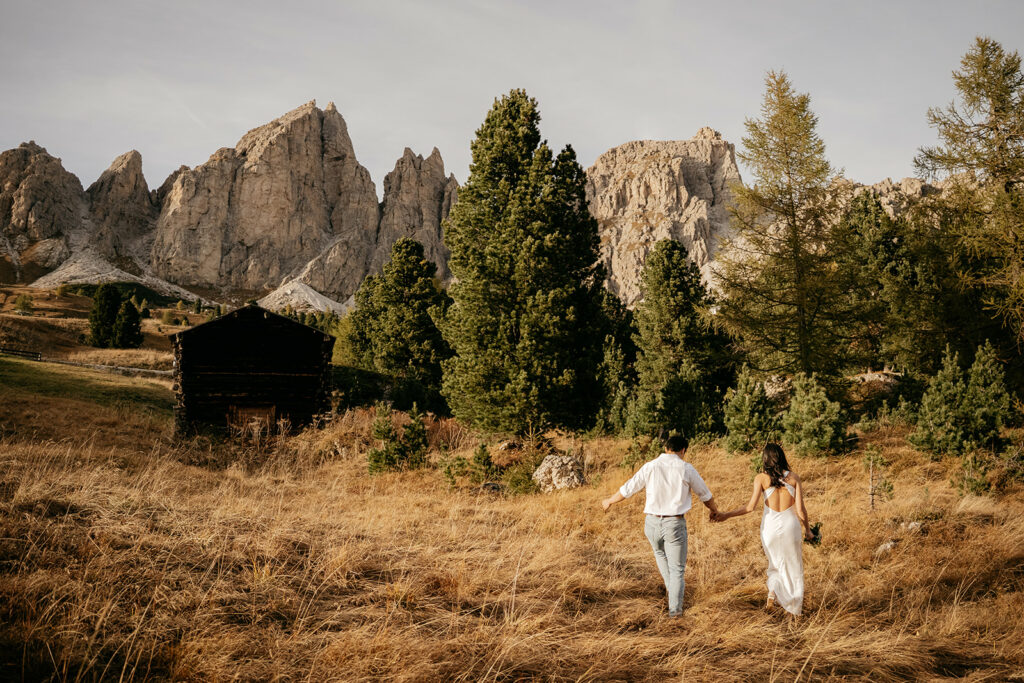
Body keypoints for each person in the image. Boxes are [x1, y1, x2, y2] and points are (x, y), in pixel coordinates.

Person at [601, 434, 719, 617]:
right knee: (677, 569)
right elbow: (704, 494)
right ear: (683, 451)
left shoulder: (650, 466)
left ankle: (671, 594)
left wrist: (609, 501)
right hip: (674, 524)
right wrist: (714, 510)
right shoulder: (686, 468)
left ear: (665, 449)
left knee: (660, 554)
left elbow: (628, 488)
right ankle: (675, 613)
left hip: (652, 523)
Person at [713, 443, 812, 616]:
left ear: (765, 459)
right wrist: (808, 530)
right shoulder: (794, 478)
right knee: (794, 566)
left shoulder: (761, 478)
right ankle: (794, 609)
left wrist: (726, 515)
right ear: (782, 457)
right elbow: (801, 510)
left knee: (774, 563)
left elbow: (750, 507)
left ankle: (772, 594)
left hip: (770, 527)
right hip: (790, 525)